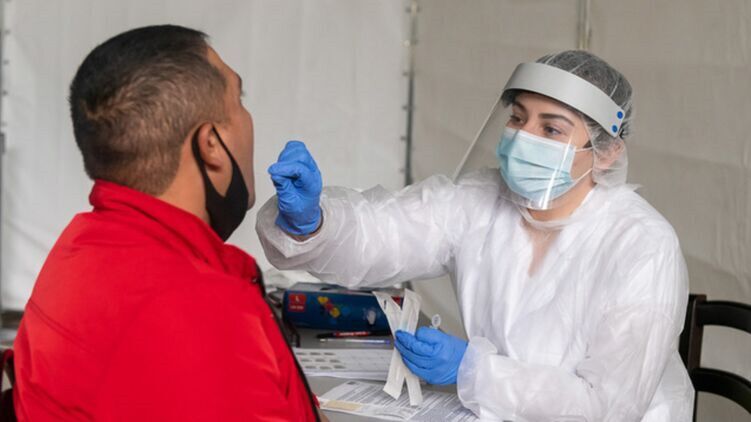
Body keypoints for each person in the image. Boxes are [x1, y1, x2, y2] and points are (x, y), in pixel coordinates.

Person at [256, 50, 693, 421]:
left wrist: (474, 370)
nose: (523, 138)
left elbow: (607, 406)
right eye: (517, 118)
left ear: (607, 151)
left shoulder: (641, 245)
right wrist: (315, 222)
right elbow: (387, 233)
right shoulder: (482, 199)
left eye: (551, 129)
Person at [12, 25, 321, 421]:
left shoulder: (79, 250)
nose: (248, 118)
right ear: (211, 144)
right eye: (239, 100)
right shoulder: (201, 313)